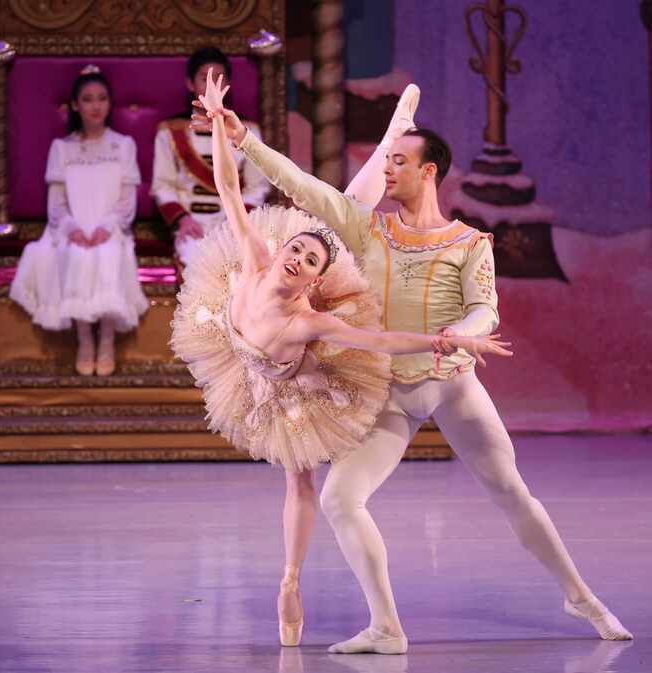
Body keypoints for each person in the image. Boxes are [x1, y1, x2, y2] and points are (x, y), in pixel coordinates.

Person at [191, 83, 633, 652]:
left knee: (512, 492)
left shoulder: (470, 243)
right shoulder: (366, 228)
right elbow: (303, 187)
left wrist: (462, 336)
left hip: (452, 387)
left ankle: (581, 596)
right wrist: (245, 140)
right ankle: (386, 627)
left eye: (397, 160)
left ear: (428, 173)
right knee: (338, 500)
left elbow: (484, 309)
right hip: (389, 394)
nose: (385, 168)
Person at [173, 71, 512, 649]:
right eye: (295, 249)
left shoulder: (310, 319)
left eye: (307, 261)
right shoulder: (257, 260)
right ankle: (393, 135)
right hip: (235, 349)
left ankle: (291, 579)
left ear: (313, 281)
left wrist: (442, 340)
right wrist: (224, 134)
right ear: (279, 248)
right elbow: (230, 192)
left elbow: (379, 343)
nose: (296, 258)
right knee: (341, 208)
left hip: (295, 381)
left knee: (300, 477)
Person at [10, 65, 148, 376]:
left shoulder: (123, 145)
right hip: (70, 227)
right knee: (74, 254)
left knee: (109, 252)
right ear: (75, 104)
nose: (95, 106)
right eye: (87, 99)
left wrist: (107, 227)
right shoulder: (62, 149)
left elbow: (127, 198)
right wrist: (72, 228)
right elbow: (56, 202)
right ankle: (85, 339)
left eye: (101, 98)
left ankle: (108, 339)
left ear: (110, 103)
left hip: (111, 226)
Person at [151, 46, 270, 266]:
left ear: (227, 85)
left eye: (219, 78)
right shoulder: (170, 132)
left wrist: (235, 221)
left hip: (234, 224)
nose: (212, 86)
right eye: (205, 79)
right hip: (191, 224)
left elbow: (258, 187)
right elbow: (162, 185)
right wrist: (183, 221)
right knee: (194, 260)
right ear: (190, 84)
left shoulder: (247, 130)